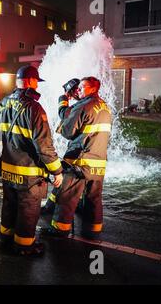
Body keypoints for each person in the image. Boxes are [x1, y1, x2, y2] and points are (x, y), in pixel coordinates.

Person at [0, 65, 63, 256]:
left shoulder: (3, 102)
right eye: (36, 82)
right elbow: (44, 146)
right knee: (27, 209)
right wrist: (56, 170)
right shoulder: (34, 108)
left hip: (8, 169)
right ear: (31, 82)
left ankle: (6, 238)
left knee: (9, 205)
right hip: (29, 174)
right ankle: (25, 246)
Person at [43, 76, 112, 240]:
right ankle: (93, 230)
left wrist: (64, 103)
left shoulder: (83, 106)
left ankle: (60, 230)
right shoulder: (104, 107)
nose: (78, 90)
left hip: (79, 162)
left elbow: (68, 131)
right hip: (98, 162)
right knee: (94, 198)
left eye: (82, 87)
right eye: (78, 88)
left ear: (93, 89)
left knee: (67, 197)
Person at [41, 78, 80, 214]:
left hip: (79, 151)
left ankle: (50, 208)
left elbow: (64, 114)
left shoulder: (82, 105)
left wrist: (63, 98)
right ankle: (80, 206)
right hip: (91, 152)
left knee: (63, 175)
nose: (78, 92)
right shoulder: (94, 105)